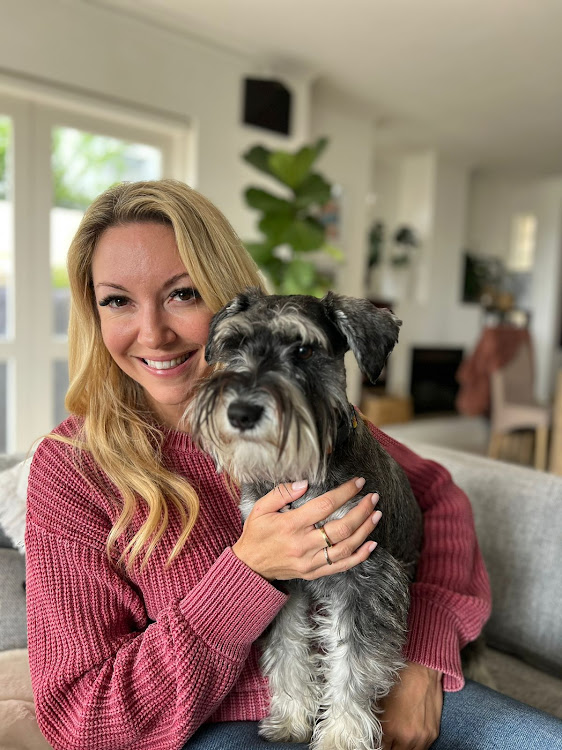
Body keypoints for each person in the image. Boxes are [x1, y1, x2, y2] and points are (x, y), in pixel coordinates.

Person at [25, 180, 562, 750]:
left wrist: (425, 655)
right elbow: (80, 722)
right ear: (93, 313)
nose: (153, 332)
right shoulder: (69, 471)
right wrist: (248, 573)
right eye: (117, 300)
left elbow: (437, 494)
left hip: (373, 673)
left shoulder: (313, 417)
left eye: (182, 294)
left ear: (224, 294)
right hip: (218, 726)